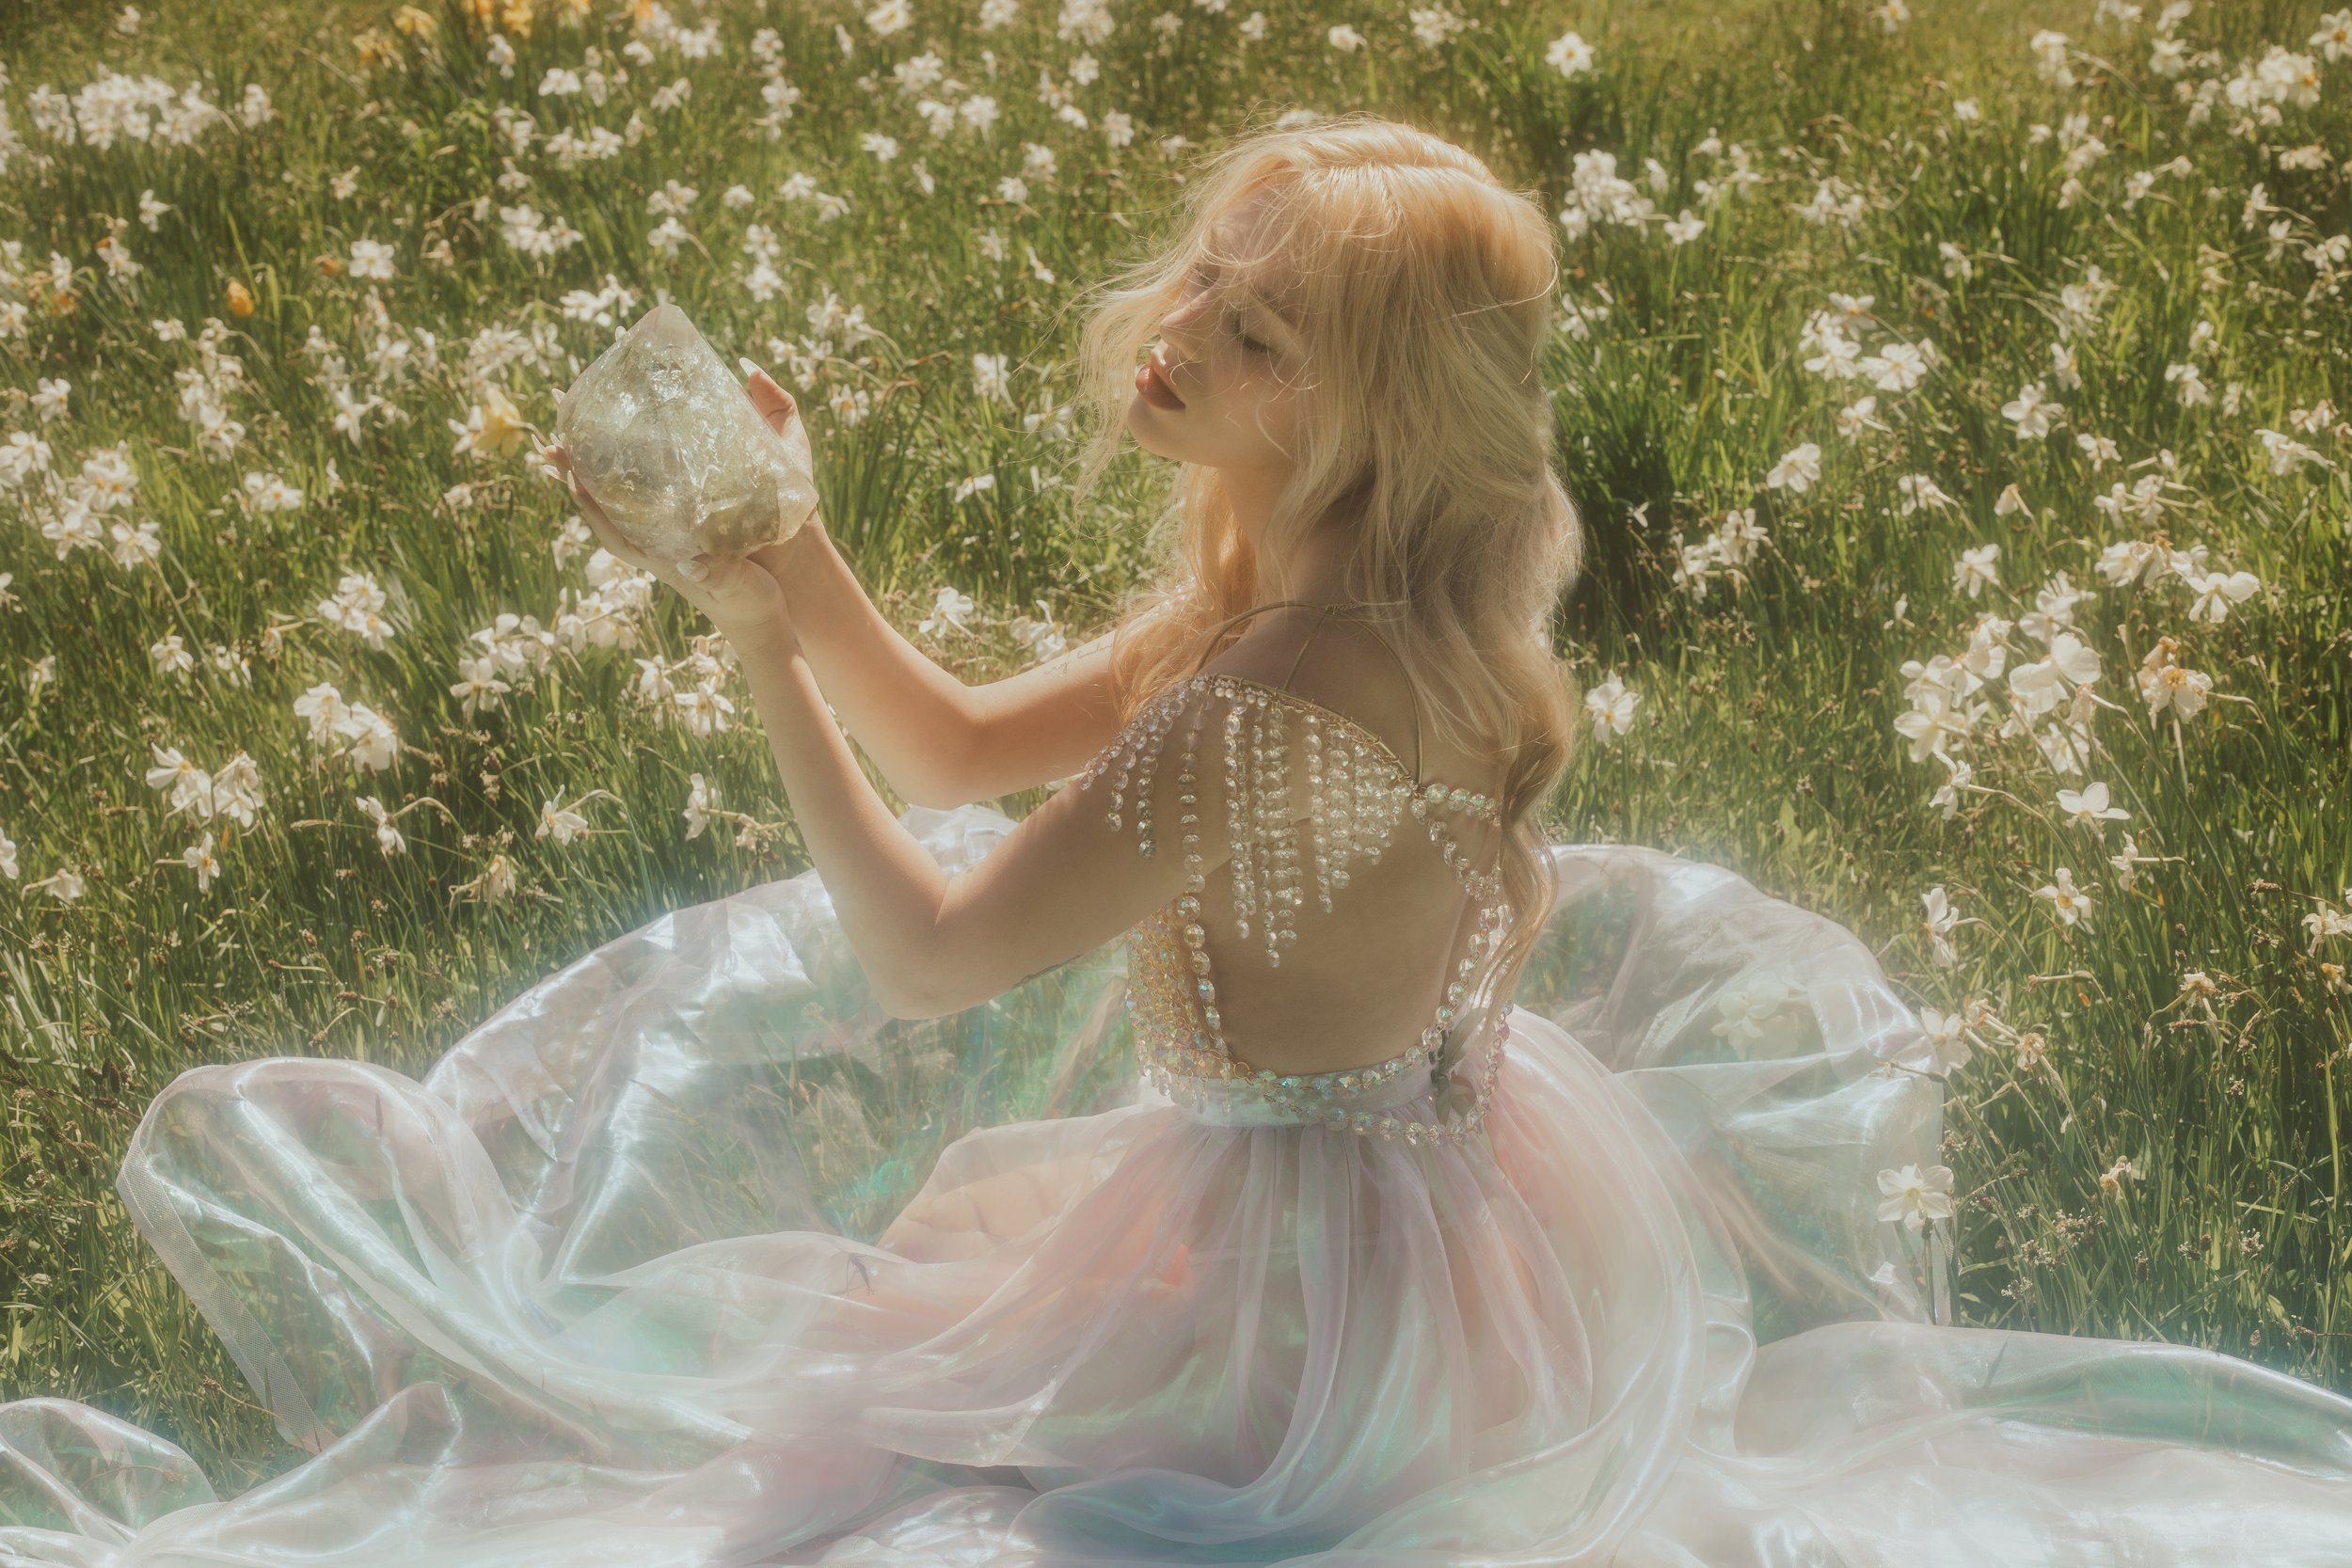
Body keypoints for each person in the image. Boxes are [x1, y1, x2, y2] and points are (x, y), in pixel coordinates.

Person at [6, 114, 2351, 1568]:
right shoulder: (1338, 600)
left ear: (1371, 407)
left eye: (1255, 337)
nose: (1181, 337)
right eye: (1206, 291)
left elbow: (927, 951)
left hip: (1299, 1288)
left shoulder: (1267, 707)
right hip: (1458, 1190)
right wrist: (786, 538)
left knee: (845, 1496)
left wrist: (740, 653)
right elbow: (941, 745)